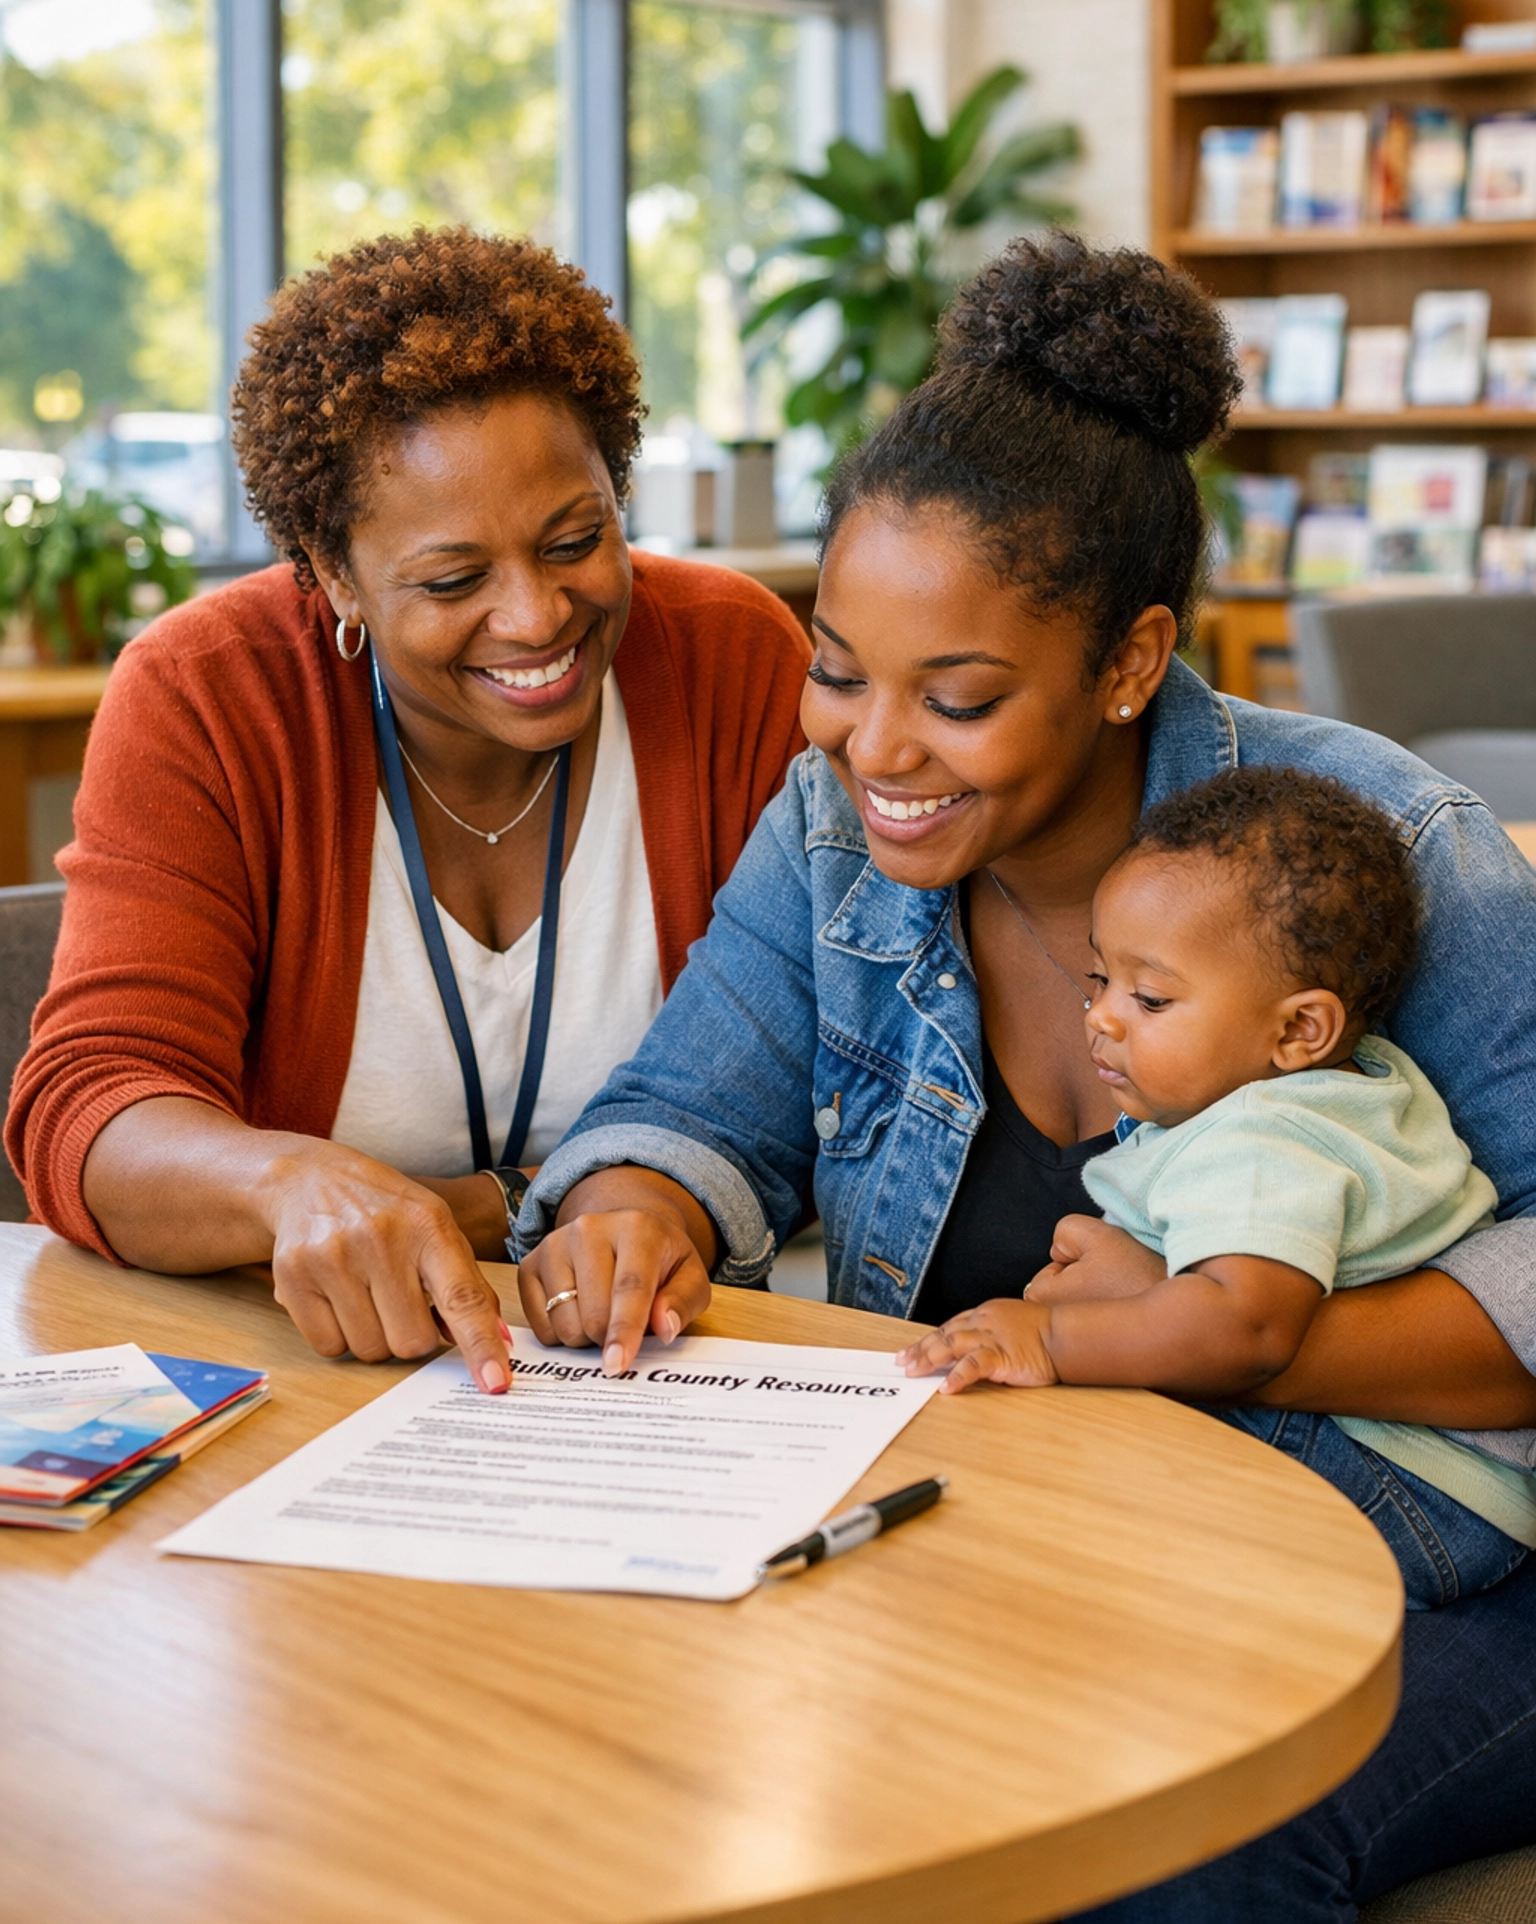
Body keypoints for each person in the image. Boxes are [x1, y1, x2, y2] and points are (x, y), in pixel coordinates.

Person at [510, 235, 1536, 1918]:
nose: (874, 748)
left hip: (1444, 1575)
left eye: (959, 697)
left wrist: (1190, 1324)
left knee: (1170, 1844)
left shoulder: (1391, 854)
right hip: (1081, 1553)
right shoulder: (830, 833)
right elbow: (689, 1112)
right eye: (837, 665)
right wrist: (628, 1205)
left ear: (1130, 663)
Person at [5, 226, 807, 1397]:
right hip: (294, 1378)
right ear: (332, 572)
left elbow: (825, 1059)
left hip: (653, 1378)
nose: (537, 618)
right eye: (451, 581)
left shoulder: (730, 661)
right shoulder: (210, 695)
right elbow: (90, 1104)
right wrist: (284, 1185)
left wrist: (580, 1200)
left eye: (576, 540)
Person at [900, 763, 1532, 1611]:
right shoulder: (1355, 1081)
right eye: (1100, 980)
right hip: (1446, 1480)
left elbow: (1245, 1330)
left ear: (1301, 1029)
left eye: (1151, 997)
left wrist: (1048, 1337)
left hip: (1394, 1480)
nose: (1101, 1017)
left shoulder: (1264, 1138)